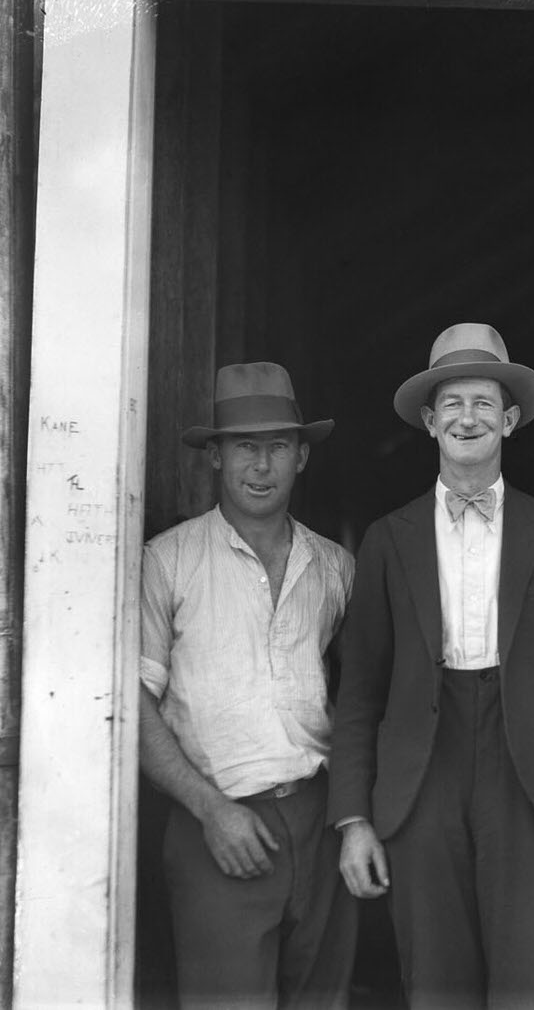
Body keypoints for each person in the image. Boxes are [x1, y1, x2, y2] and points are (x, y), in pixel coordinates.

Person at [329, 322, 534, 1010]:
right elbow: (359, 691)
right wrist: (353, 819)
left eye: (484, 403)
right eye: (453, 404)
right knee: (436, 981)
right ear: (430, 422)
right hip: (420, 772)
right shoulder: (386, 539)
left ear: (510, 420)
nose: (468, 418)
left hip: (533, 776)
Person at [139, 361, 356, 1009]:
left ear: (302, 457)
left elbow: (361, 692)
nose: (261, 466)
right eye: (244, 447)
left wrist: (351, 813)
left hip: (320, 821)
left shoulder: (335, 567)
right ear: (215, 456)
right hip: (217, 823)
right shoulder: (168, 561)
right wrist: (212, 811)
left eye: (278, 446)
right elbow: (133, 706)